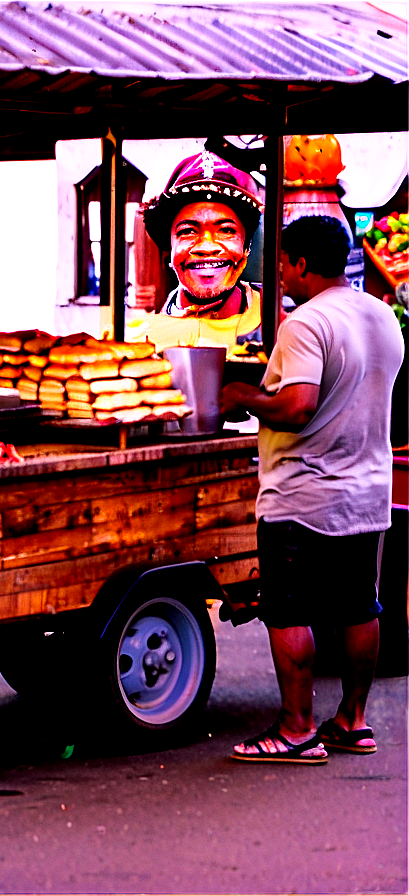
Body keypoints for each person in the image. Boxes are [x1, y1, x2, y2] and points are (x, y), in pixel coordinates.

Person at [219, 215, 404, 764]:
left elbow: (297, 408)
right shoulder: (381, 315)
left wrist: (243, 397)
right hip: (367, 489)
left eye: (281, 263)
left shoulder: (306, 323)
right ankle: (353, 720)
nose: (279, 273)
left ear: (301, 264)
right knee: (358, 607)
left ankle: (296, 728)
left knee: (288, 609)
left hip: (304, 491)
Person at [139, 150, 265, 354]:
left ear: (246, 246)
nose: (206, 247)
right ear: (170, 248)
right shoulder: (143, 340)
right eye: (187, 231)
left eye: (226, 230)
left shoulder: (275, 321)